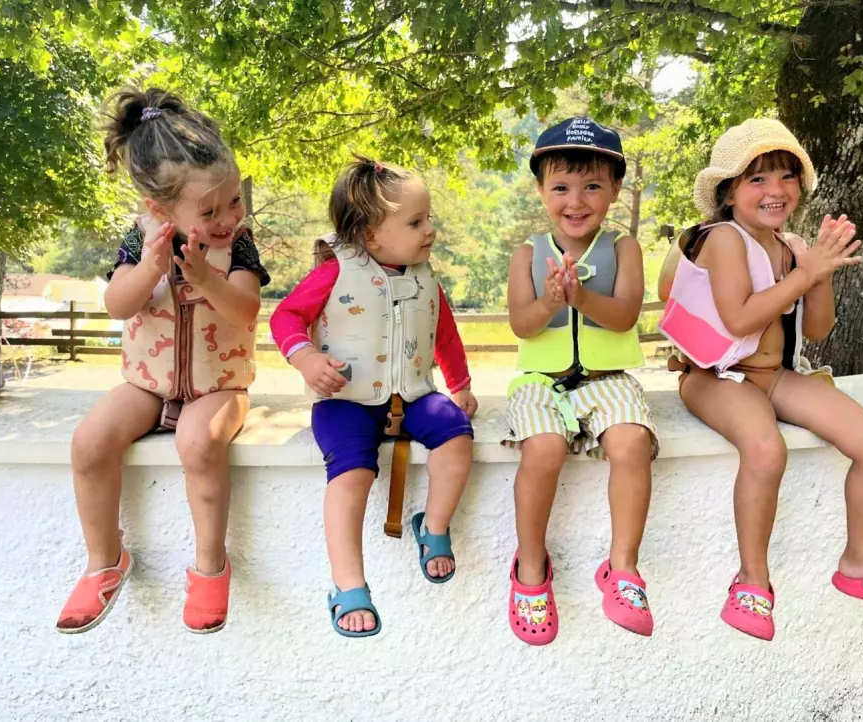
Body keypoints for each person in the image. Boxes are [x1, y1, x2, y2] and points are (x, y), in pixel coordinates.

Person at [657, 118, 863, 642]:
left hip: (776, 374)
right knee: (766, 450)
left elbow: (816, 328)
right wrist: (806, 273)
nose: (776, 189)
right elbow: (739, 320)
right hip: (717, 375)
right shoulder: (724, 238)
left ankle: (860, 563)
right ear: (728, 192)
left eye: (787, 176)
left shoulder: (790, 245)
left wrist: (818, 272)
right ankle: (751, 581)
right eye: (757, 178)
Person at [57, 87, 269, 635]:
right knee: (89, 442)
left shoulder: (237, 245)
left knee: (198, 443)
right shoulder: (139, 242)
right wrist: (151, 268)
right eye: (209, 210)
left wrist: (206, 279)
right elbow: (117, 305)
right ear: (160, 210)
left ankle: (210, 566)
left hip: (219, 386)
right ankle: (104, 560)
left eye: (234, 201)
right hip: (148, 385)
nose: (227, 217)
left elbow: (246, 311)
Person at [269, 157, 477, 638]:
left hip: (414, 395)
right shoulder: (336, 271)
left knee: (456, 434)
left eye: (428, 218)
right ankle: (348, 584)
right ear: (369, 235)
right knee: (352, 474)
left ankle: (434, 526)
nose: (430, 230)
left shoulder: (425, 277)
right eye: (416, 222)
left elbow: (443, 332)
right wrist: (306, 359)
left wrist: (461, 385)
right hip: (344, 400)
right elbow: (286, 317)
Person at [502, 117, 658, 646]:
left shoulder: (625, 248)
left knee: (632, 441)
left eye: (592, 186)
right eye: (561, 187)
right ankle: (530, 567)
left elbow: (626, 314)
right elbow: (522, 325)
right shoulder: (527, 254)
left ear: (615, 189)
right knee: (543, 448)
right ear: (541, 190)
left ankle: (623, 568)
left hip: (606, 377)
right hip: (540, 382)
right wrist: (550, 300)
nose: (576, 201)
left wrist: (581, 297)